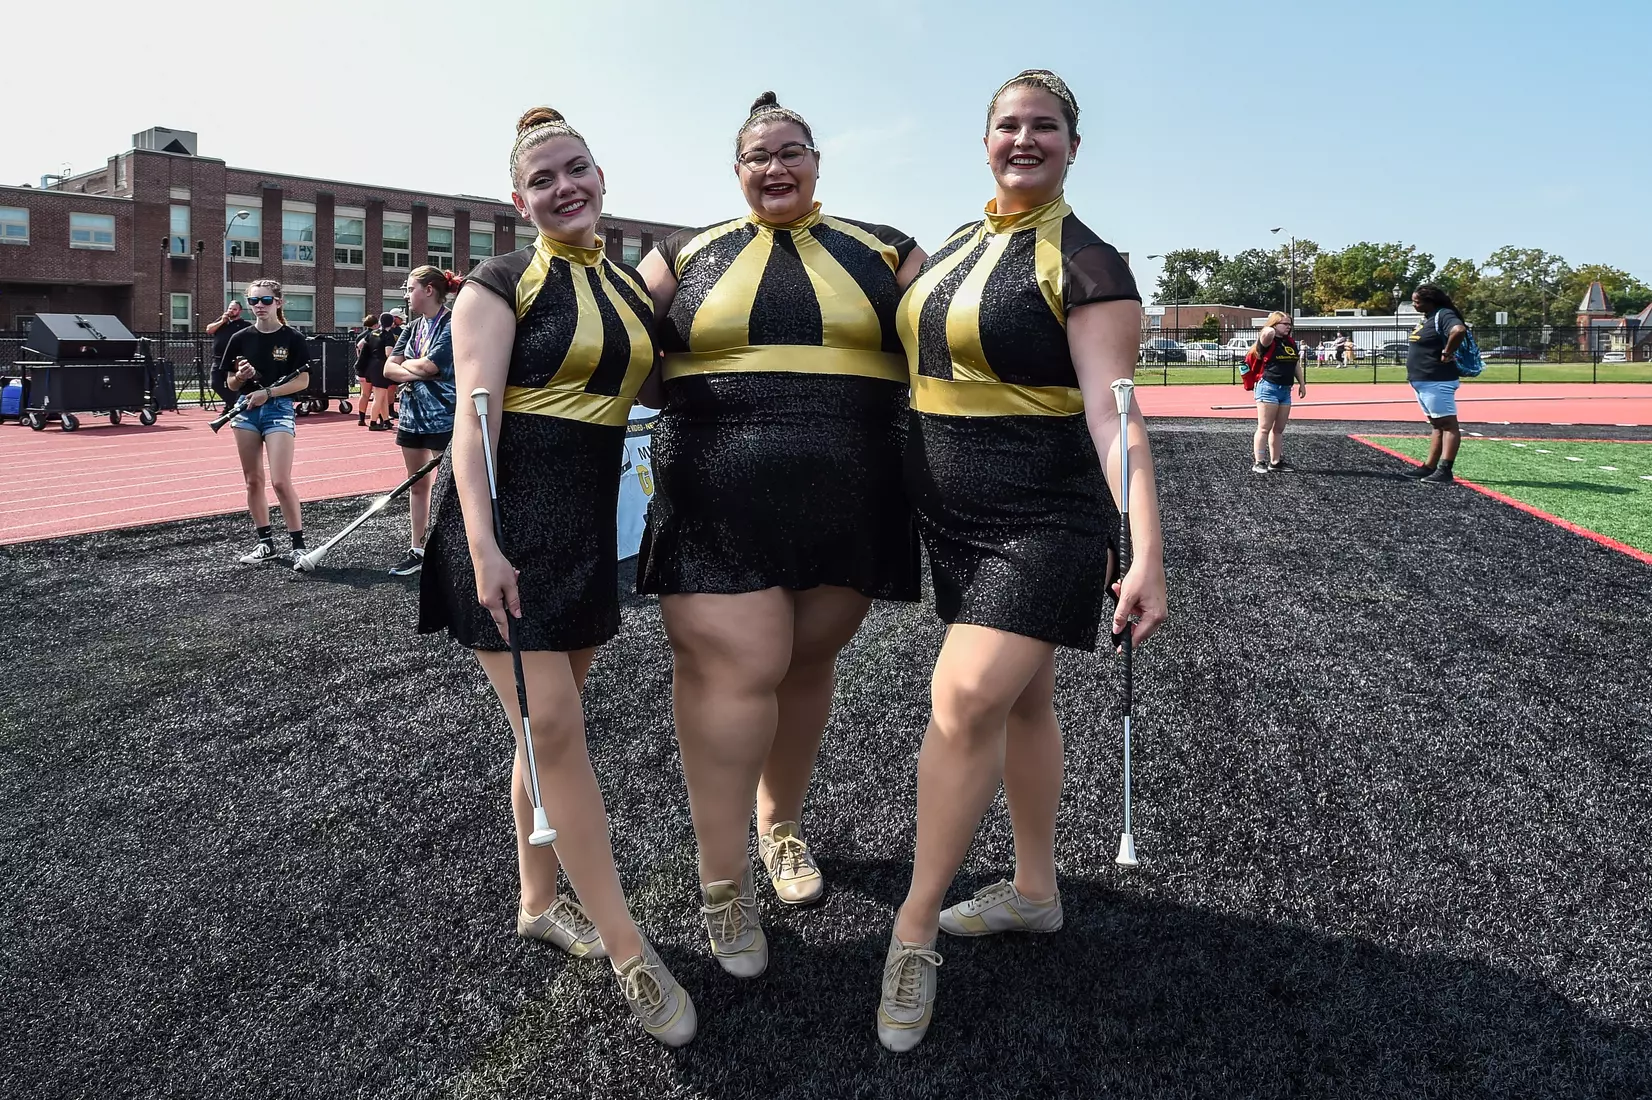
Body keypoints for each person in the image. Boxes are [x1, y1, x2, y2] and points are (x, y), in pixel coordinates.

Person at [876, 69, 1169, 1053]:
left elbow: (1115, 419)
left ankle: (912, 930)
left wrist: (1146, 551)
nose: (1024, 138)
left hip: (1043, 517)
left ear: (1073, 146)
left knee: (963, 700)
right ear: (985, 139)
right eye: (1008, 124)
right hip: (953, 518)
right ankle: (1035, 891)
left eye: (1045, 126)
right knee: (1022, 701)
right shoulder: (956, 244)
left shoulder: (1088, 263)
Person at [418, 107, 695, 1047]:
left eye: (576, 169)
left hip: (582, 536)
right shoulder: (497, 284)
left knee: (540, 735)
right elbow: (473, 427)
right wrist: (486, 547)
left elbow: (662, 387)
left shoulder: (626, 287)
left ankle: (538, 902)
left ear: (601, 177)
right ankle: (628, 949)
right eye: (543, 179)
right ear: (518, 200)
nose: (564, 187)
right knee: (556, 734)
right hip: (504, 536)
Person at [635, 91, 927, 979]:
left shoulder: (885, 248)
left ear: (816, 161)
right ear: (736, 171)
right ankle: (721, 882)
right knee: (736, 672)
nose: (776, 166)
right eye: (758, 155)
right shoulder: (682, 252)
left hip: (854, 494)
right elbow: (617, 345)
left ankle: (781, 827)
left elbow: (960, 339)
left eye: (791, 150)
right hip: (714, 496)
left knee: (805, 664)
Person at [220, 279, 310, 564]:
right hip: (245, 410)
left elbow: (303, 381)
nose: (259, 305)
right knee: (253, 481)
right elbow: (231, 383)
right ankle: (265, 543)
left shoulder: (293, 338)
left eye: (266, 300)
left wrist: (268, 393)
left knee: (280, 481)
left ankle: (298, 544)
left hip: (278, 409)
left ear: (278, 302)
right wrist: (240, 377)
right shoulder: (239, 338)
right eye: (254, 301)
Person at [381, 268, 458, 575]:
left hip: (444, 416)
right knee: (417, 485)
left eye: (410, 288)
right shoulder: (412, 327)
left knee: (452, 488)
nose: (406, 295)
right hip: (411, 417)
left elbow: (431, 365)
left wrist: (415, 369)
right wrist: (419, 371)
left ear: (428, 290)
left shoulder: (453, 323)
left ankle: (454, 549)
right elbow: (389, 369)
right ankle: (418, 548)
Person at [1405, 283, 1469, 484]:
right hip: (1424, 380)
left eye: (1417, 301)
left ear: (1430, 301)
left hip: (1437, 379)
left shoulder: (1444, 314)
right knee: (1436, 425)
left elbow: (1458, 330)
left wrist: (1447, 352)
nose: (1414, 305)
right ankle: (1429, 467)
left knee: (1448, 425)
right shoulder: (1428, 318)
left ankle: (1445, 470)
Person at [1249, 311, 1307, 473]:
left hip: (1285, 389)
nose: (1289, 327)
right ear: (1275, 324)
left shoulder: (1289, 342)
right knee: (1264, 427)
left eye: (1290, 324)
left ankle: (1275, 462)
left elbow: (1295, 364)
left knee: (1279, 429)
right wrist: (1272, 325)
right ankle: (1259, 462)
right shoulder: (1269, 339)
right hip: (1269, 387)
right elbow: (1266, 333)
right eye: (1285, 324)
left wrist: (1302, 384)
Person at [206, 300, 251, 410]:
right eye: (230, 308)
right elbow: (209, 330)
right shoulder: (222, 322)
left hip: (233, 360)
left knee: (233, 385)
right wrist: (222, 321)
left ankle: (230, 407)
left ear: (240, 311)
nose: (231, 311)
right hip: (218, 359)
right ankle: (233, 404)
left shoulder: (244, 325)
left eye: (234, 309)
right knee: (215, 384)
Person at [353, 314, 383, 427]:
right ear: (375, 325)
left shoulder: (360, 336)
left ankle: (361, 418)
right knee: (378, 394)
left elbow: (358, 350)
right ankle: (380, 418)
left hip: (362, 367)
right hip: (373, 367)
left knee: (364, 394)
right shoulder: (376, 335)